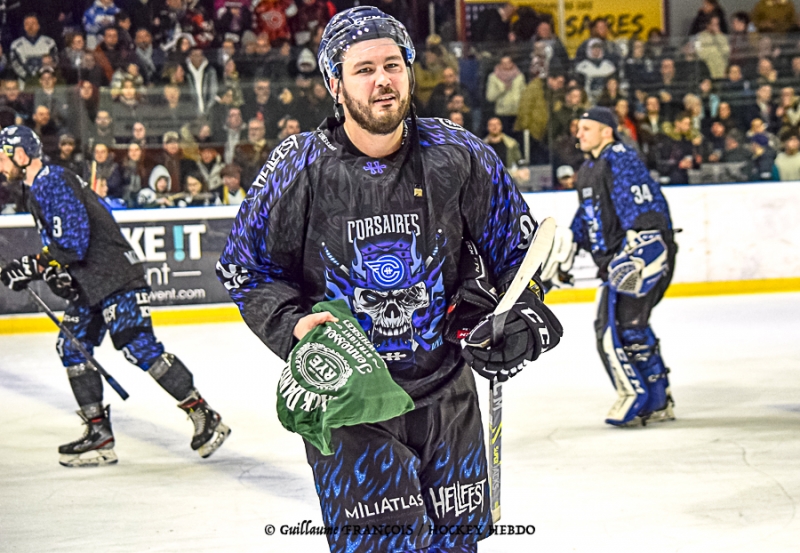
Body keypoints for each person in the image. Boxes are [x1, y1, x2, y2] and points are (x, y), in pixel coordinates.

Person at [216, 7, 562, 552]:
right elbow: (244, 267)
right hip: (350, 403)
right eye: (363, 69)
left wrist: (523, 315)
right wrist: (293, 325)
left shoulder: (458, 154)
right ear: (334, 82)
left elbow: (520, 256)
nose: (382, 81)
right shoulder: (298, 167)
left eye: (393, 65)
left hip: (448, 395)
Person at [0, 126, 230, 467]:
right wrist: (50, 272)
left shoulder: (52, 181)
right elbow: (67, 248)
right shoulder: (38, 188)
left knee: (137, 346)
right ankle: (99, 435)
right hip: (91, 283)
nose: (1, 165)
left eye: (2, 157)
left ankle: (205, 416)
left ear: (21, 155)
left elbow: (72, 243)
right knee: (72, 347)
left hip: (116, 277)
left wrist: (32, 266)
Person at [545, 106, 676, 427]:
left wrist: (641, 249)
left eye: (586, 128)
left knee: (623, 327)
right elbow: (589, 214)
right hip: (616, 263)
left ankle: (649, 397)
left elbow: (644, 206)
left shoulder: (620, 157)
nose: (579, 133)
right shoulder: (591, 166)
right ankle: (658, 399)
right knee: (627, 328)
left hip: (638, 258)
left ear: (607, 131)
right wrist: (570, 246)